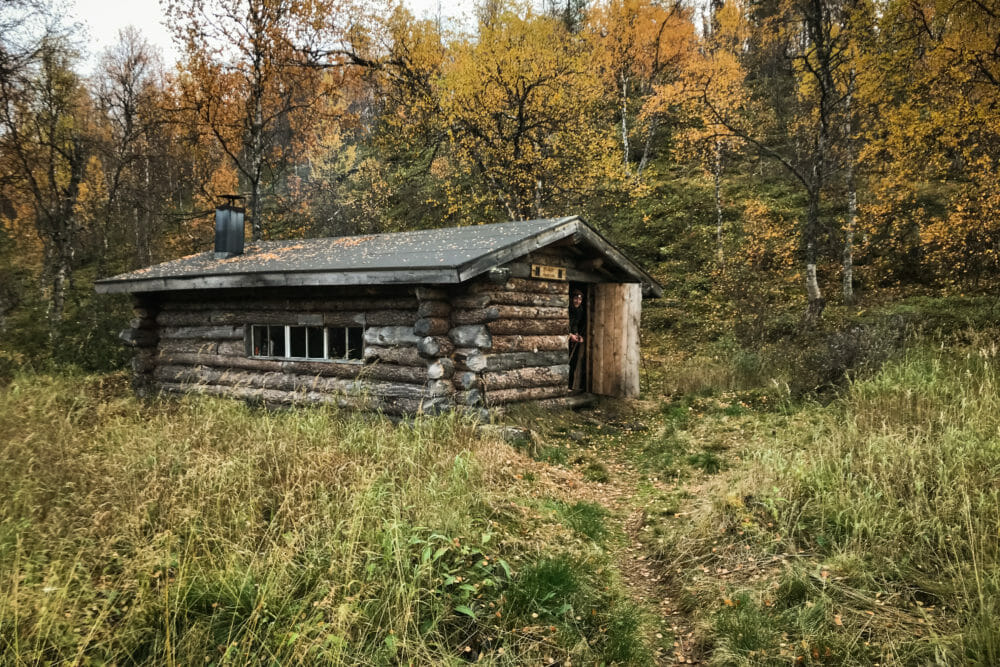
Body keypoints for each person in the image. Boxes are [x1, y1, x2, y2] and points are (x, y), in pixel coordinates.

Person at [568, 288, 585, 390]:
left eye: (579, 300)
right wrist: (570, 335)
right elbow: (562, 324)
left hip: (573, 339)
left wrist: (578, 335)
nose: (577, 301)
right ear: (571, 299)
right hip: (564, 339)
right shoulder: (567, 309)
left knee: (573, 363)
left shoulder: (580, 310)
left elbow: (576, 325)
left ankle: (570, 386)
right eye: (575, 299)